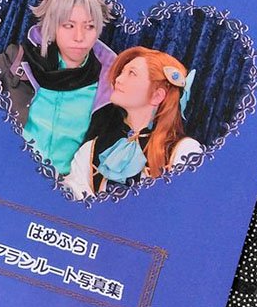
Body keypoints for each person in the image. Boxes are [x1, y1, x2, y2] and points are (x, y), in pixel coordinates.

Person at [0, 0, 116, 175]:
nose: (79, 37)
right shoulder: (14, 63)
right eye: (69, 25)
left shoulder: (110, 86)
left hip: (63, 188)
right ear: (52, 25)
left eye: (89, 26)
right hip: (4, 174)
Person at [63, 47, 203, 200]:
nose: (118, 79)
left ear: (157, 96)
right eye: (122, 72)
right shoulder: (91, 149)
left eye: (132, 73)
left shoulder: (184, 152)